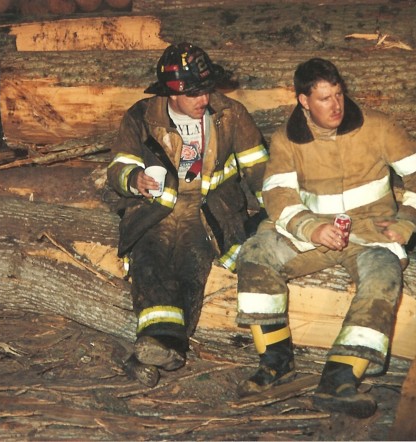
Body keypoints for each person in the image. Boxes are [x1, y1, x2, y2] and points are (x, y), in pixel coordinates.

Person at [235, 58, 416, 418]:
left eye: (339, 95)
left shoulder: (377, 127)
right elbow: (277, 194)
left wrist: (407, 223)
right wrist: (310, 226)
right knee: (255, 252)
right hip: (314, 233)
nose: (336, 106)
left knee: (383, 277)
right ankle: (275, 362)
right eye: (325, 98)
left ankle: (340, 379)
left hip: (369, 232)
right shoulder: (288, 139)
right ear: (303, 101)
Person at [107, 42, 269, 387]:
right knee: (149, 258)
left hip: (209, 209)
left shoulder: (232, 115)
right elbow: (119, 165)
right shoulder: (142, 116)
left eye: (206, 90)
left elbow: (259, 168)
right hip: (156, 208)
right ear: (171, 94)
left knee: (192, 261)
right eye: (194, 94)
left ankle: (153, 348)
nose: (204, 100)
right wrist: (134, 179)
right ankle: (164, 346)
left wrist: (278, 210)